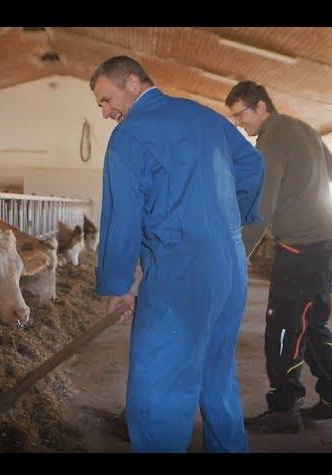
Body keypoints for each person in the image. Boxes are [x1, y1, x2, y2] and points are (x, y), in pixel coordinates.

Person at [90, 56, 265, 452]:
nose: (104, 112)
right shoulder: (202, 115)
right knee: (216, 374)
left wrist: (117, 284)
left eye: (106, 99)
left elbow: (121, 216)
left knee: (160, 388)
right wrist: (229, 217)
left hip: (181, 271)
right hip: (231, 266)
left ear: (133, 83)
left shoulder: (130, 135)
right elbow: (253, 165)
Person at [225, 81, 332, 433]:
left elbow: (262, 207)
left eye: (241, 114)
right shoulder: (304, 129)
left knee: (283, 328)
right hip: (325, 246)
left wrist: (237, 254)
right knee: (313, 324)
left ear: (260, 106)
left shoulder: (271, 139)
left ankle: (284, 408)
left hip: (298, 249)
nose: (239, 123)